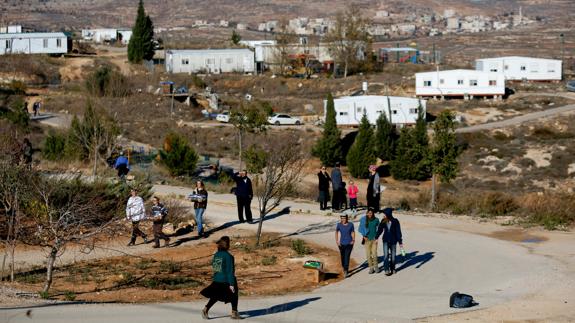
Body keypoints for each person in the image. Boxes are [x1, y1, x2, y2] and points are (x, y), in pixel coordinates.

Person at [200, 236, 241, 320]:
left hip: (217, 279)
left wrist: (217, 277)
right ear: (228, 244)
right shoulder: (229, 256)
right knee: (234, 295)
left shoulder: (217, 255)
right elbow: (230, 271)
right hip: (226, 280)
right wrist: (232, 284)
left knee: (215, 296)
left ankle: (206, 309)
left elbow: (215, 267)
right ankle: (234, 312)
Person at [376, 208, 404, 276]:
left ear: (388, 214)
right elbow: (380, 230)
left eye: (385, 214)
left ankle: (393, 268)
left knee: (393, 256)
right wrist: (376, 237)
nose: (384, 215)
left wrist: (400, 241)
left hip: (393, 241)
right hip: (385, 240)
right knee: (386, 256)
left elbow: (398, 232)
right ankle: (386, 269)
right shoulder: (383, 221)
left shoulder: (395, 221)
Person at [358, 208, 380, 274]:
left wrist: (377, 237)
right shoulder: (364, 220)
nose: (370, 214)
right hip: (367, 240)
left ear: (373, 213)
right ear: (367, 213)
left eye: (371, 213)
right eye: (369, 213)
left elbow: (379, 228)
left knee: (374, 254)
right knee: (368, 255)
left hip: (374, 240)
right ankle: (371, 268)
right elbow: (361, 228)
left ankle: (376, 267)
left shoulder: (376, 220)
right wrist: (363, 236)